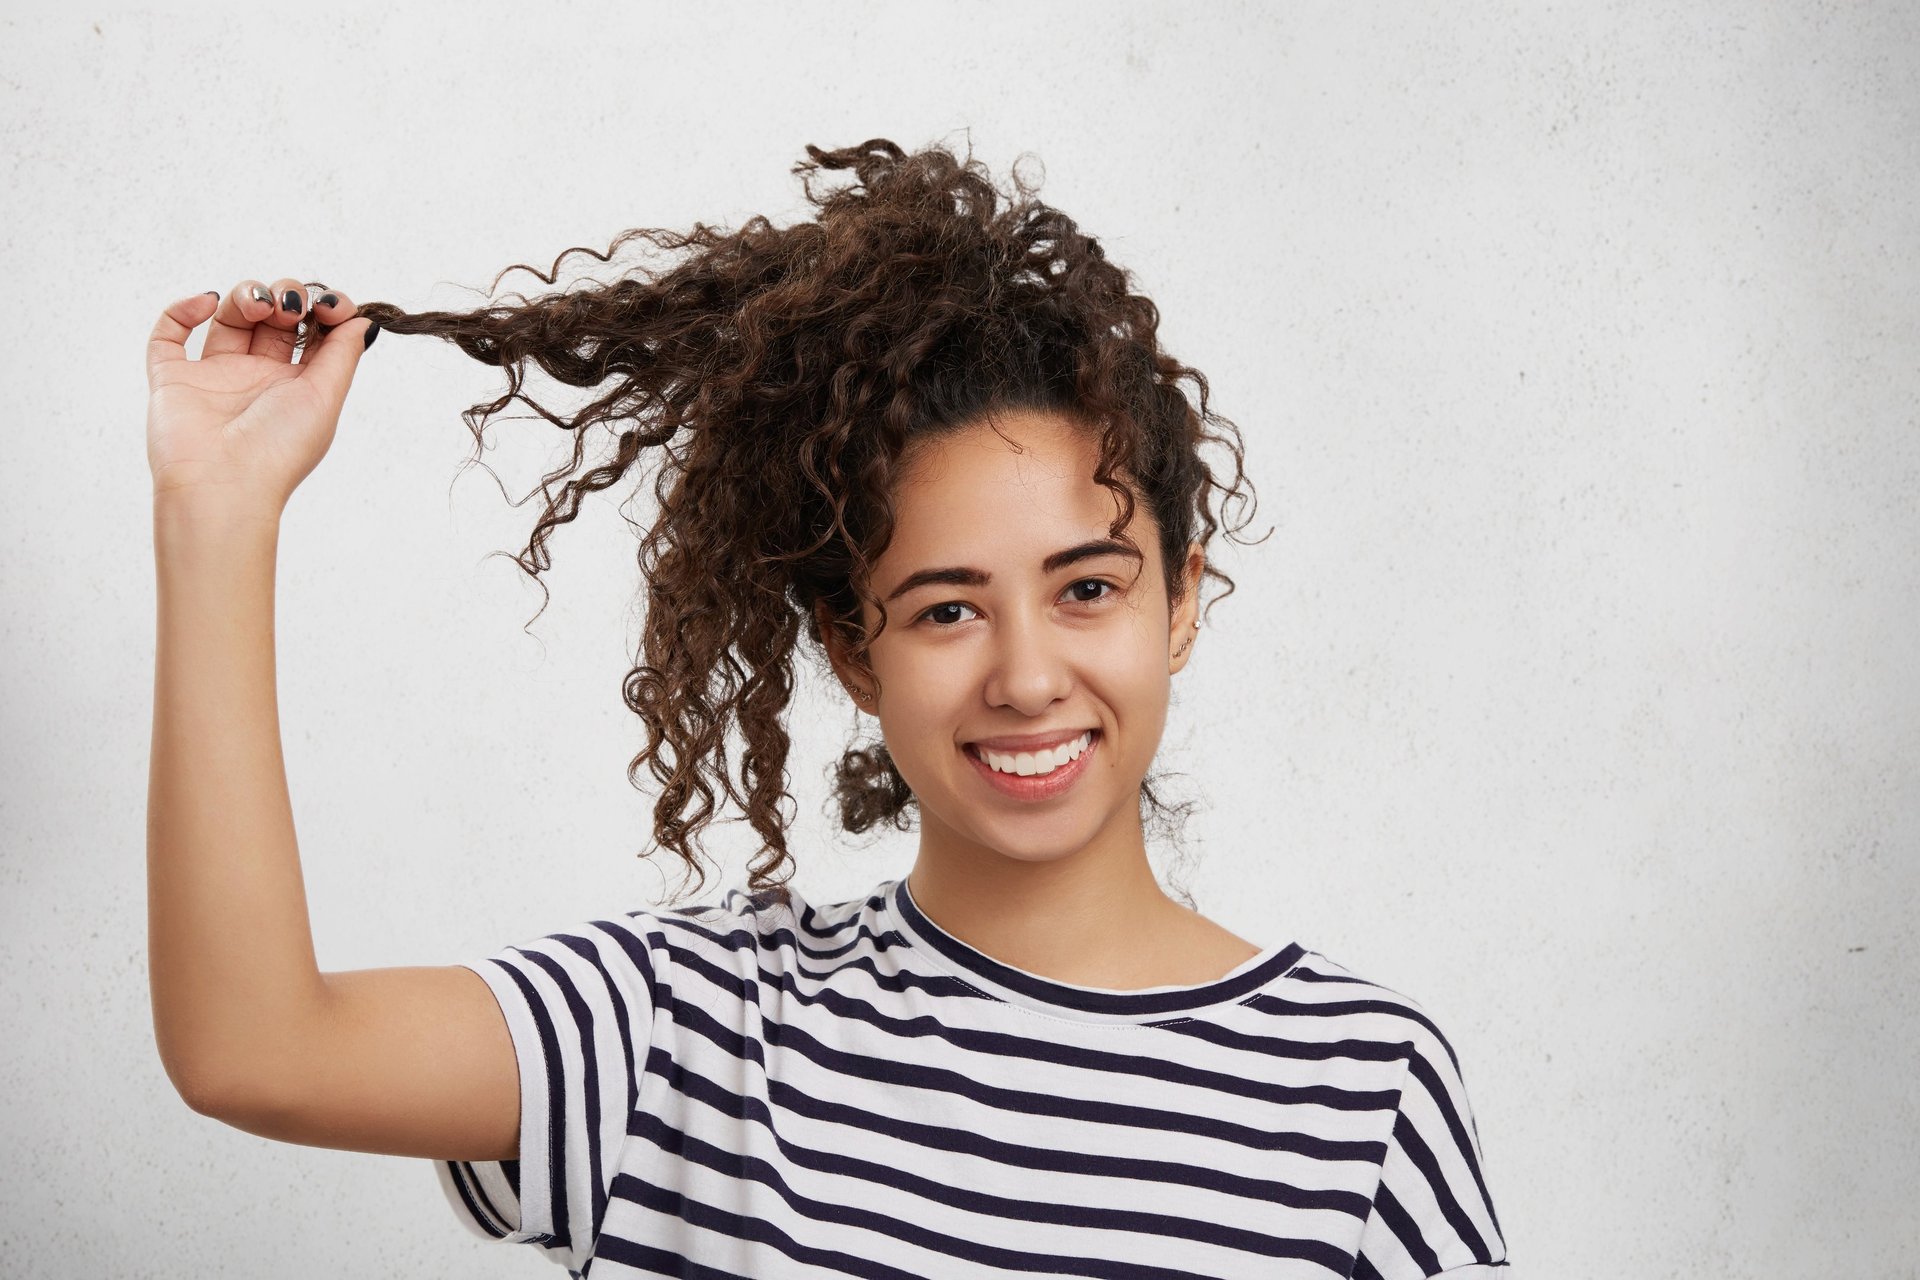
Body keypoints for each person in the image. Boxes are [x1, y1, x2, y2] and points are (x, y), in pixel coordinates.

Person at [145, 137, 1509, 1278]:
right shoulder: (685, 1034)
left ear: (1182, 599)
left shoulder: (1357, 1096)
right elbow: (254, 1047)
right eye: (946, 608)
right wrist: (219, 509)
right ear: (854, 653)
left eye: (1087, 588)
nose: (1028, 675)